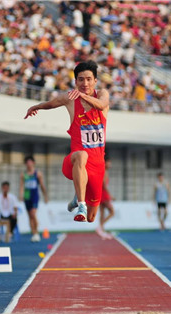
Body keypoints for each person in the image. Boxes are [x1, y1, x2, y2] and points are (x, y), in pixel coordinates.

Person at [24, 60, 109, 223]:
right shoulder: (70, 99)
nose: (85, 83)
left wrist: (83, 95)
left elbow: (102, 104)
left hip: (97, 165)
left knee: (91, 219)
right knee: (81, 155)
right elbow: (50, 103)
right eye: (81, 79)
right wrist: (36, 107)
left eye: (89, 79)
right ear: (76, 81)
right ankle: (81, 204)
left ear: (95, 81)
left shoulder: (102, 94)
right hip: (74, 160)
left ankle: (78, 197)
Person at [19, 155, 48, 242]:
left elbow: (42, 185)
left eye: (30, 162)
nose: (29, 164)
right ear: (25, 164)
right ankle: (33, 233)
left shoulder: (37, 174)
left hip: (34, 196)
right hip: (27, 196)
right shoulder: (23, 175)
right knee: (29, 216)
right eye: (27, 163)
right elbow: (21, 186)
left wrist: (45, 195)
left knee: (33, 214)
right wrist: (21, 195)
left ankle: (36, 232)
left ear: (33, 163)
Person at [97, 155, 114, 239]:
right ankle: (100, 226)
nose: (110, 164)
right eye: (109, 162)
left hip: (100, 193)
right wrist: (110, 195)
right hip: (104, 194)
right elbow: (104, 185)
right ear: (105, 163)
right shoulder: (104, 171)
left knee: (102, 213)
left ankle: (101, 231)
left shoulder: (101, 170)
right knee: (112, 212)